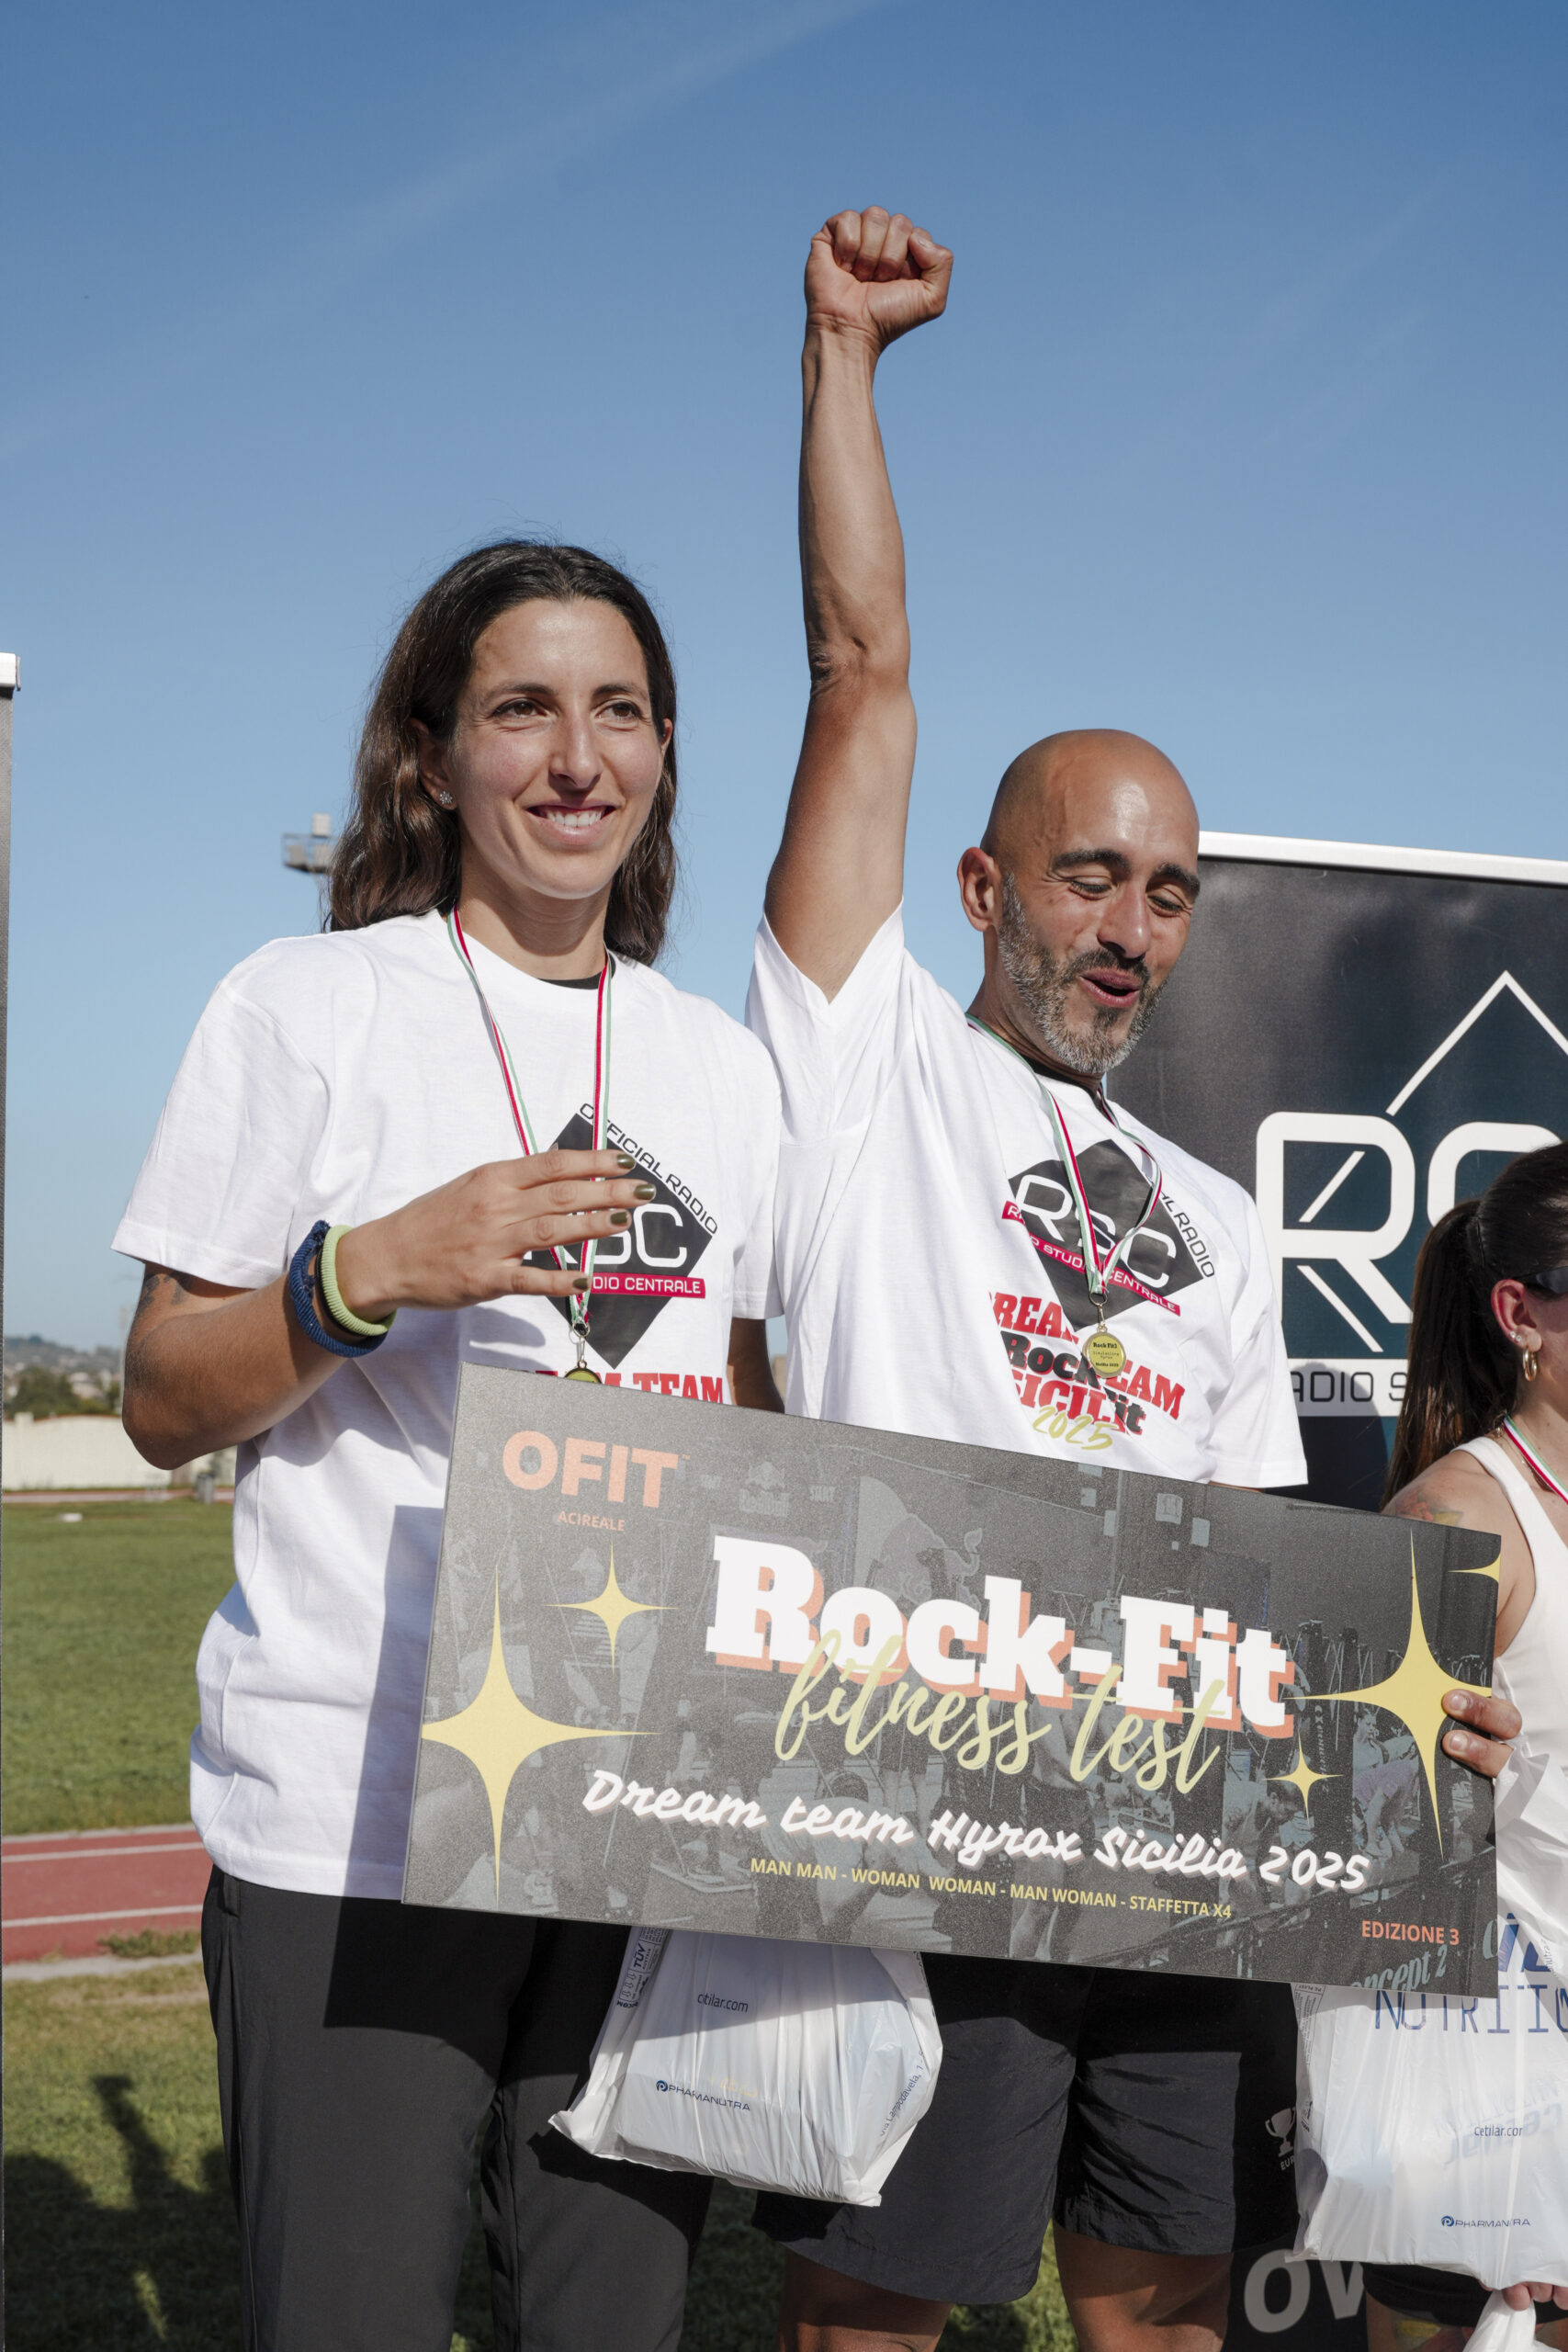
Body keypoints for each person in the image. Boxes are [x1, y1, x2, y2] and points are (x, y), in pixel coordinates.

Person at [744, 206, 1525, 2352]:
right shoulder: (864, 1068)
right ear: (979, 884)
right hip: (921, 1802)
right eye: (1086, 874)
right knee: (874, 2311)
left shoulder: (1216, 1212)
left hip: (1171, 1837)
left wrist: (1391, 1715)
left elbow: (1257, 1554)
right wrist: (843, 359)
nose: (1127, 927)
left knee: (1166, 2302)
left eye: (1167, 890)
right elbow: (857, 675)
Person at [118, 540, 783, 2352]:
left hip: (631, 1808)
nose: (577, 756)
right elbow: (162, 1393)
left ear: (662, 755)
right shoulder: (303, 1003)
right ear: (431, 755)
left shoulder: (722, 1066)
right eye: (521, 709)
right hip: (357, 1814)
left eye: (620, 710)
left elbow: (744, 1414)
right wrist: (370, 1272)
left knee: (615, 2324)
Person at [1371, 1141, 1568, 2352]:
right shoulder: (1452, 1523)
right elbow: (1359, 1857)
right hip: (1504, 2095)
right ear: (1521, 1315)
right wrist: (1519, 2160)